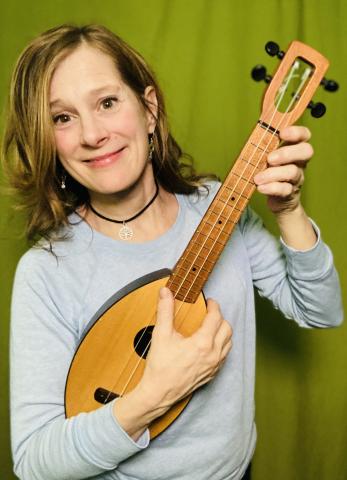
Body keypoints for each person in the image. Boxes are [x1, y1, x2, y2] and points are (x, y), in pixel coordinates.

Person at [3, 24, 343, 480]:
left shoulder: (222, 209)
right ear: (47, 138)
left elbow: (321, 311)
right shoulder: (46, 271)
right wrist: (155, 395)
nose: (92, 134)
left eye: (107, 102)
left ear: (148, 109)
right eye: (62, 117)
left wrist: (290, 211)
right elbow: (34, 463)